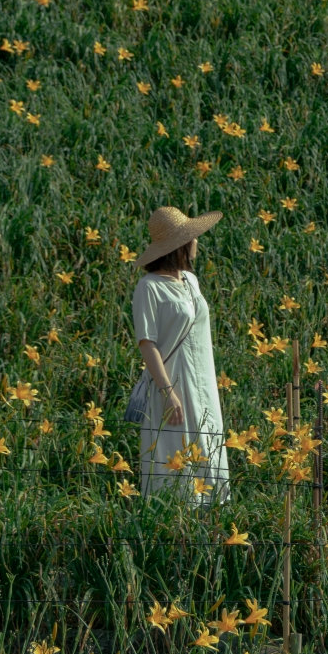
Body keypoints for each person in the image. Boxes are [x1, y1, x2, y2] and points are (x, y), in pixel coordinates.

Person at [131, 206, 228, 500]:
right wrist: (168, 391)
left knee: (207, 447)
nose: (197, 241)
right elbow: (147, 343)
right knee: (175, 454)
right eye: (193, 237)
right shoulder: (149, 288)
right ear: (180, 245)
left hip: (203, 383)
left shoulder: (190, 280)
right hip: (172, 386)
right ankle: (175, 525)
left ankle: (211, 523)